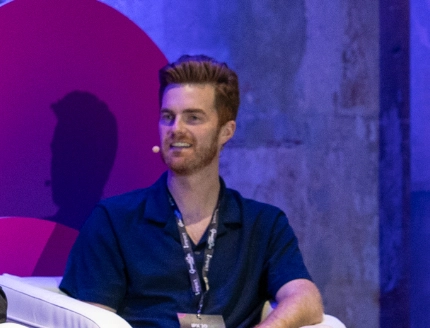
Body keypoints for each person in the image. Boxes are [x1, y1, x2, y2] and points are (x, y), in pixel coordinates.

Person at [60, 55, 323, 327]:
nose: (176, 129)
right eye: (168, 117)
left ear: (226, 131)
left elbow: (305, 297)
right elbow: (91, 320)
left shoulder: (264, 225)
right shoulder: (114, 221)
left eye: (193, 118)